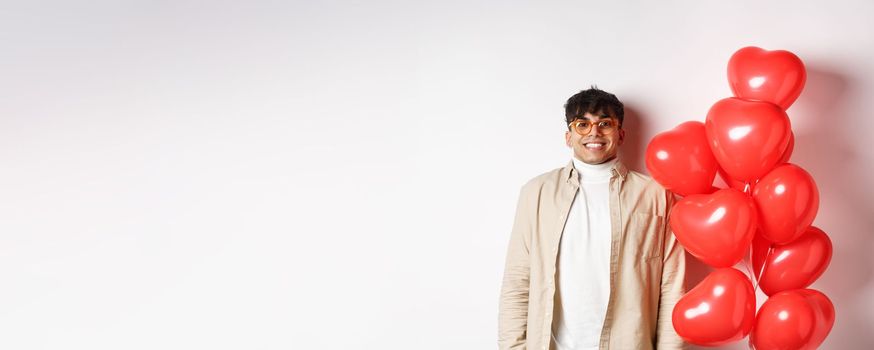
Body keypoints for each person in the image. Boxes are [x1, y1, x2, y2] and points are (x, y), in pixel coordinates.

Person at [498, 87, 686, 350]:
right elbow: (518, 280)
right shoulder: (536, 193)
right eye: (582, 124)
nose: (594, 132)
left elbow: (673, 286)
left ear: (620, 134)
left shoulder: (655, 195)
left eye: (604, 123)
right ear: (568, 136)